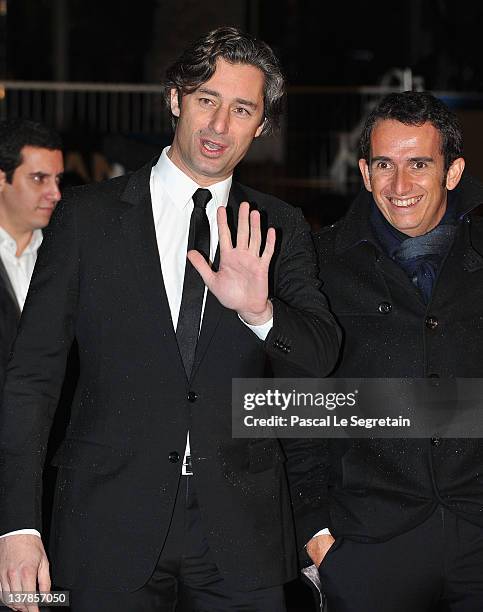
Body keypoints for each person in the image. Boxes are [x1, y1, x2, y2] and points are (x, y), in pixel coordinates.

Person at [0, 27, 340, 612]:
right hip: (104, 521)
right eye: (206, 99)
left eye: (241, 110)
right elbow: (32, 378)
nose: (218, 125)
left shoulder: (279, 225)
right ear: (175, 98)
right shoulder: (86, 217)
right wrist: (17, 527)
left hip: (242, 532)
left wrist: (260, 312)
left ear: (260, 126)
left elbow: (320, 358)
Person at [302, 91, 483, 611]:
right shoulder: (318, 265)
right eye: (385, 164)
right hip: (368, 543)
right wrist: (314, 531)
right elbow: (290, 405)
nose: (399, 185)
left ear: (453, 172)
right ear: (364, 171)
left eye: (419, 164)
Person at [0, 119, 63, 393]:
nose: (55, 194)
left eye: (58, 179)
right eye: (39, 179)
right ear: (2, 179)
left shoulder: (65, 253)